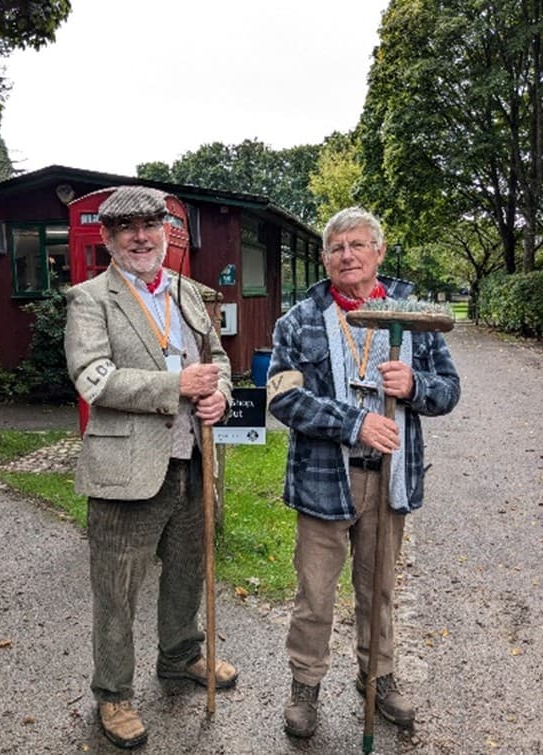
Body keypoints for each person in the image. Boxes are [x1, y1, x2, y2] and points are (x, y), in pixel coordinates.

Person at [266, 206, 460, 738]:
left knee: (378, 589)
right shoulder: (298, 320)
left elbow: (448, 390)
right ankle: (305, 686)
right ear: (325, 258)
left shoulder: (414, 317)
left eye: (357, 245)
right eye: (336, 247)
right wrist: (355, 423)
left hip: (390, 478)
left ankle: (378, 676)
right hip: (323, 476)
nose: (346, 255)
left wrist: (415, 386)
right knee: (315, 592)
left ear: (379, 252)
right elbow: (284, 399)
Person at [64, 186, 237, 750]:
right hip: (125, 470)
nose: (141, 237)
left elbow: (217, 361)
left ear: (166, 233)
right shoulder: (90, 299)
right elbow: (92, 376)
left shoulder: (187, 291)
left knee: (188, 571)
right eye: (127, 229)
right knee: (117, 591)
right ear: (111, 241)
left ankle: (180, 655)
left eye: (150, 226)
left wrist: (220, 398)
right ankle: (113, 693)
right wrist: (175, 386)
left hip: (191, 460)